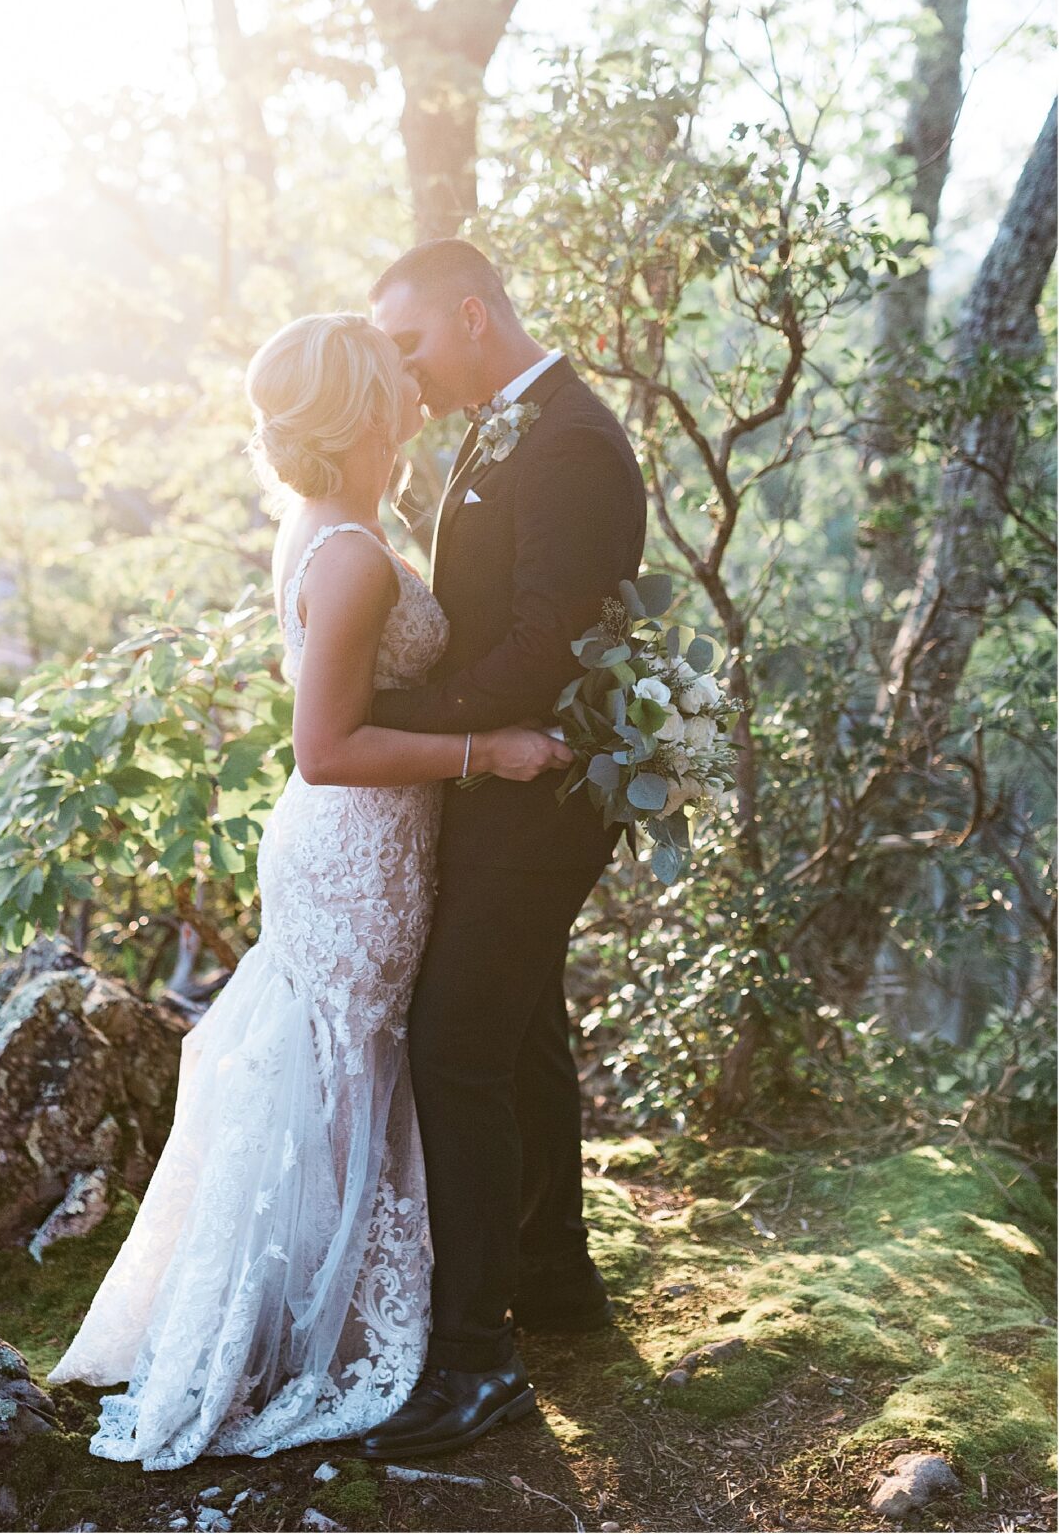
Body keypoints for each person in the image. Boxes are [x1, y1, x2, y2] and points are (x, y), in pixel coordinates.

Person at [46, 310, 566, 1469]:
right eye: (395, 373)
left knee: (346, 1060)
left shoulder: (337, 530)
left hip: (370, 837)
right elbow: (324, 745)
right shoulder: (346, 554)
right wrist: (494, 752)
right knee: (343, 1062)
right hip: (353, 842)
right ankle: (303, 1326)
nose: (417, 383)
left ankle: (327, 1304)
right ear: (366, 407)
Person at [352, 239, 648, 1462]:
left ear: (473, 316)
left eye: (411, 343)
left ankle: (475, 1362)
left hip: (544, 795)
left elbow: (543, 649)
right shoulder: (496, 424)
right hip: (498, 785)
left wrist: (393, 730)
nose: (403, 373)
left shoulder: (571, 440)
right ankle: (559, 1278)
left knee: (454, 1046)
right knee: (521, 1027)